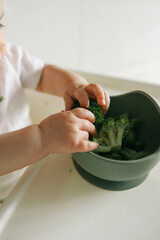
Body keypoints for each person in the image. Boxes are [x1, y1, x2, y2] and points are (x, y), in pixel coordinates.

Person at [0, 0, 110, 176]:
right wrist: (44, 137)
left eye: (0, 24)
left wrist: (74, 84)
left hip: (31, 173)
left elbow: (43, 75)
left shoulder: (10, 59)